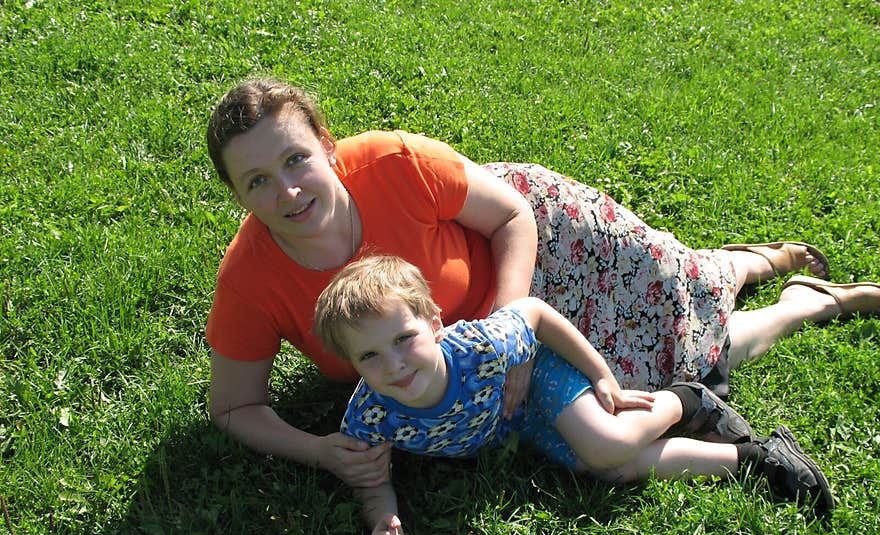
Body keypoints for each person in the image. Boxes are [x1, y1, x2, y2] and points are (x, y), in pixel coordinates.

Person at [204, 77, 880, 488]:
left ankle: (751, 262)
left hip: (529, 246)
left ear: (326, 142)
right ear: (237, 194)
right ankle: (800, 305)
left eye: (297, 158)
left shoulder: (393, 162)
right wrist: (322, 451)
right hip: (460, 337)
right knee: (644, 381)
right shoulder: (250, 280)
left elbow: (512, 216)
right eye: (257, 180)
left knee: (678, 294)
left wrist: (510, 341)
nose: (288, 191)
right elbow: (234, 409)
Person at [312, 255, 833, 535]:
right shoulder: (372, 414)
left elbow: (534, 314)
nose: (395, 364)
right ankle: (756, 459)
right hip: (514, 425)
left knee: (608, 444)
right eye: (370, 355)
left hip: (535, 380)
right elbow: (370, 473)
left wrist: (604, 376)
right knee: (611, 468)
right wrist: (383, 517)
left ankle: (685, 399)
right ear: (351, 363)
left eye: (404, 338)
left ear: (433, 322)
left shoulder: (479, 347)